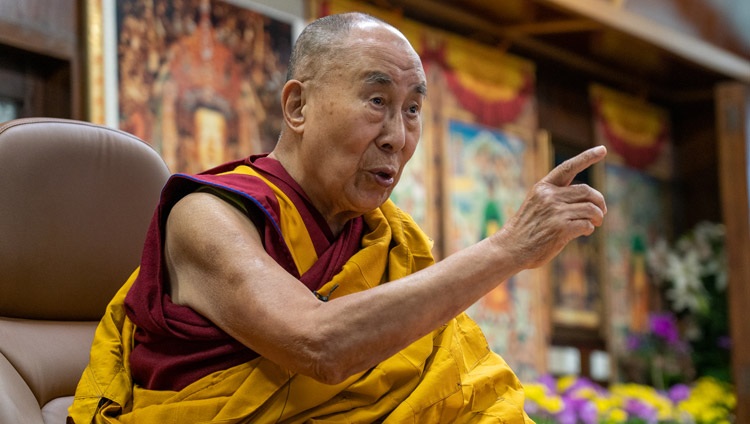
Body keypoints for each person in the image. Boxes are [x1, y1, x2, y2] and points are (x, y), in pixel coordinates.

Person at [69, 12, 607, 423]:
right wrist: (508, 249)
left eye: (412, 109)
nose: (398, 135)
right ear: (298, 106)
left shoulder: (387, 238)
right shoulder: (207, 214)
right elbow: (318, 346)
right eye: (377, 100)